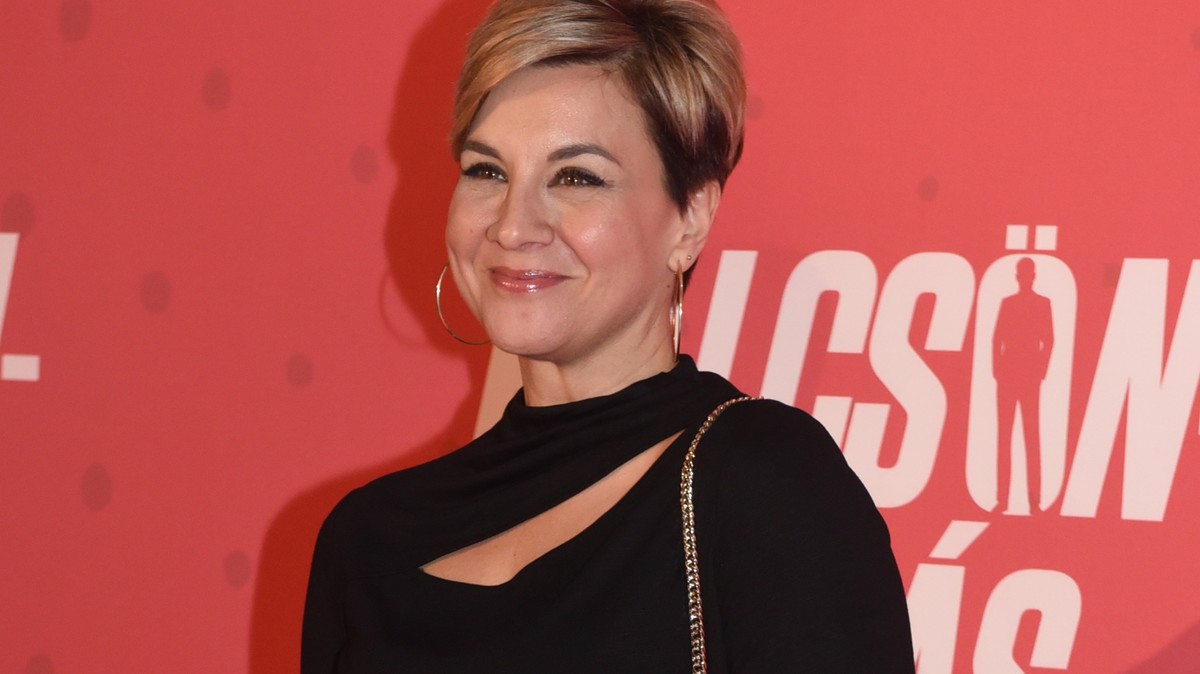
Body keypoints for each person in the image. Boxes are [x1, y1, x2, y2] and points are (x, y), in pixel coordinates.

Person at [302, 0, 914, 671]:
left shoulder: (764, 483)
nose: (513, 226)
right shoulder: (367, 538)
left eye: (576, 177)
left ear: (690, 218)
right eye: (487, 171)